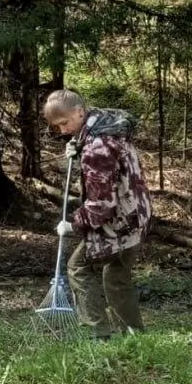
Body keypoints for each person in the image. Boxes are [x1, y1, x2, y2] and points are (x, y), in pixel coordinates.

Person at [42, 88, 153, 340]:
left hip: (120, 222)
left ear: (80, 112)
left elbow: (102, 204)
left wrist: (74, 225)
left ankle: (97, 334)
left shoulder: (97, 149)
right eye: (58, 126)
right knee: (116, 274)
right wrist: (79, 146)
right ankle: (133, 334)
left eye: (65, 123)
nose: (62, 130)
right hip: (137, 213)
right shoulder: (107, 125)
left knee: (79, 267)